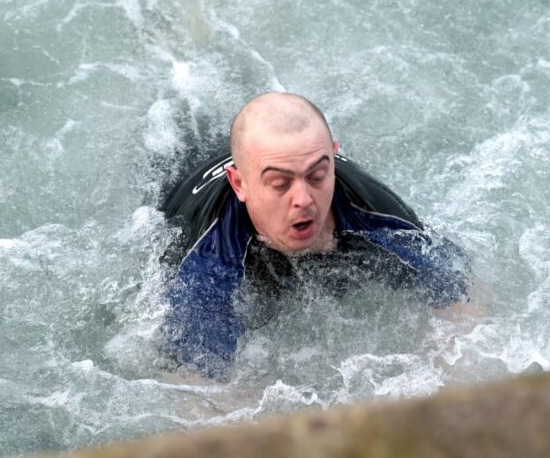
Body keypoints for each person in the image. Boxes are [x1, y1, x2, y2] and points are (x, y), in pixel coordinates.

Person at [159, 93, 469, 379]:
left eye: (317, 175)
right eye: (280, 184)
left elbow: (464, 302)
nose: (304, 199)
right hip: (182, 165)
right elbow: (193, 388)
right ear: (239, 184)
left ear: (334, 157)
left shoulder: (376, 214)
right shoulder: (208, 258)